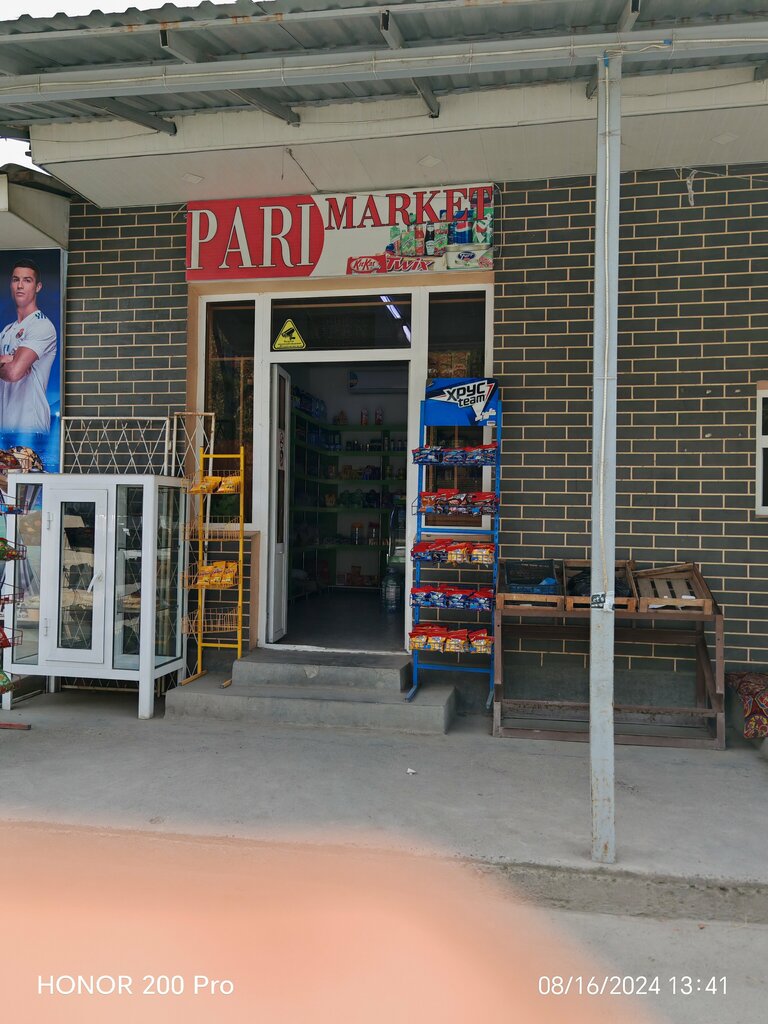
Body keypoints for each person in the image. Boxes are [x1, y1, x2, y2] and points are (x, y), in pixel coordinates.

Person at [0, 258, 57, 434]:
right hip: (5, 427)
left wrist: (11, 363)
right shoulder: (7, 330)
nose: (20, 285)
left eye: (27, 280)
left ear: (37, 287)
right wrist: (6, 360)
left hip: (30, 428)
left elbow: (13, 372)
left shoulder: (41, 325)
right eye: (16, 280)